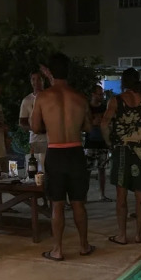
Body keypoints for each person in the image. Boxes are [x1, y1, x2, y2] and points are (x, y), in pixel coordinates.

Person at [31, 53, 94, 261]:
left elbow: (35, 127)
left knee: (57, 204)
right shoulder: (80, 97)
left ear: (50, 72)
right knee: (78, 203)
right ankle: (84, 246)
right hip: (76, 152)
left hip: (56, 152)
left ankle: (57, 250)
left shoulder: (42, 97)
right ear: (69, 71)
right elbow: (88, 127)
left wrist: (51, 125)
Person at [101, 68, 141, 245]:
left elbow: (104, 125)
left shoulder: (116, 101)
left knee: (121, 195)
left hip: (121, 151)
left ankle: (122, 235)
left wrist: (110, 142)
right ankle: (139, 234)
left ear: (123, 82)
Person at [85, 84, 111, 202]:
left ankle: (102, 194)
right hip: (90, 142)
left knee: (102, 169)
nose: (101, 96)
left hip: (102, 142)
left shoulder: (104, 108)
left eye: (102, 94)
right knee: (87, 170)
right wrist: (93, 123)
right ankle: (84, 195)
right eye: (99, 94)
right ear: (93, 94)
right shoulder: (87, 108)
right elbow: (85, 124)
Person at [19, 70, 47, 172]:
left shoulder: (50, 97)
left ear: (43, 80)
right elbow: (22, 122)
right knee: (35, 169)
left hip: (50, 139)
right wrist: (35, 128)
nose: (36, 82)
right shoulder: (27, 100)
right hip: (35, 140)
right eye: (33, 79)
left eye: (39, 79)